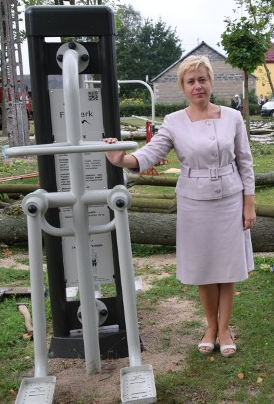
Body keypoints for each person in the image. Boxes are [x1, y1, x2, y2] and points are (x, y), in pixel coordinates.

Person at [103, 55, 256, 358]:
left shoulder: (232, 117)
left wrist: (248, 203)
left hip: (229, 198)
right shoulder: (174, 122)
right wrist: (122, 159)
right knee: (202, 268)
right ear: (183, 87)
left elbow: (245, 161)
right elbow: (149, 154)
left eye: (202, 79)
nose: (198, 86)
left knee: (227, 268)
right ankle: (210, 327)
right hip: (194, 202)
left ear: (211, 82)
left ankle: (225, 329)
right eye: (191, 81)